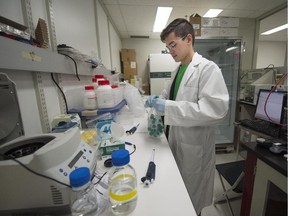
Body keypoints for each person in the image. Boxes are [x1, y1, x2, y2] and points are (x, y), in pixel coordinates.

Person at [145, 18, 229, 215]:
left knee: (191, 200)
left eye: (173, 45)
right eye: (167, 47)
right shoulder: (177, 70)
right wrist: (160, 99)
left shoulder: (208, 69)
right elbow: (171, 96)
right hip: (174, 139)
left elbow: (215, 110)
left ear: (188, 39)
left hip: (194, 147)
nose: (170, 51)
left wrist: (167, 105)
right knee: (176, 193)